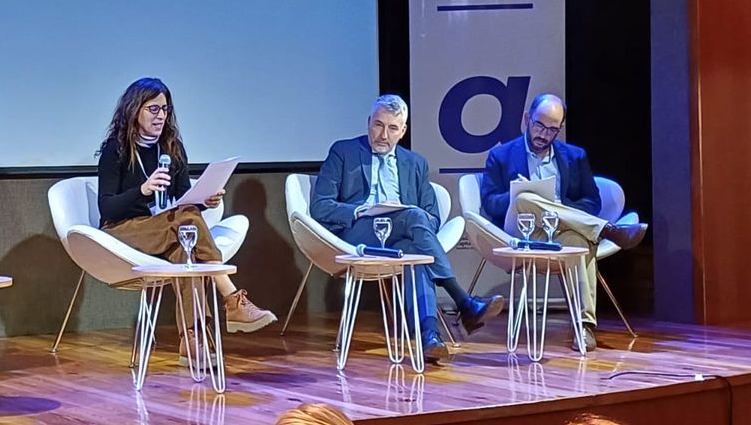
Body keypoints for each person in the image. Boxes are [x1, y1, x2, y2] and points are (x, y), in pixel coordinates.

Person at [310, 95, 504, 362]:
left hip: (403, 237)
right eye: (378, 125)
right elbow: (320, 207)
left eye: (392, 128)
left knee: (416, 253)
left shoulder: (415, 163)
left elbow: (432, 217)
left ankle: (429, 337)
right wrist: (361, 210)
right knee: (413, 218)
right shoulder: (344, 152)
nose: (383, 135)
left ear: (403, 131)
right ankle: (463, 301)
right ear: (368, 123)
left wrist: (411, 221)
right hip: (357, 235)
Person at [97, 77, 276, 366]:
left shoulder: (172, 147)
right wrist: (143, 190)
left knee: (185, 251)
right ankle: (232, 298)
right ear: (134, 110)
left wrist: (206, 200)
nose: (161, 116)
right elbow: (106, 206)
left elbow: (183, 200)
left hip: (165, 227)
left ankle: (192, 339)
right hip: (122, 230)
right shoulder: (115, 149)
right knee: (185, 222)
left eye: (165, 109)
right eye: (153, 109)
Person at [480, 94, 647, 351]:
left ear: (560, 128)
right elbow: (489, 203)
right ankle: (605, 230)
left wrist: (559, 212)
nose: (544, 134)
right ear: (527, 119)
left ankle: (583, 326)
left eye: (552, 129)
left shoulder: (574, 156)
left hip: (560, 231)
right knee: (525, 198)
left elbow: (592, 201)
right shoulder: (501, 155)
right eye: (539, 125)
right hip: (521, 232)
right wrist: (515, 193)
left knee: (580, 242)